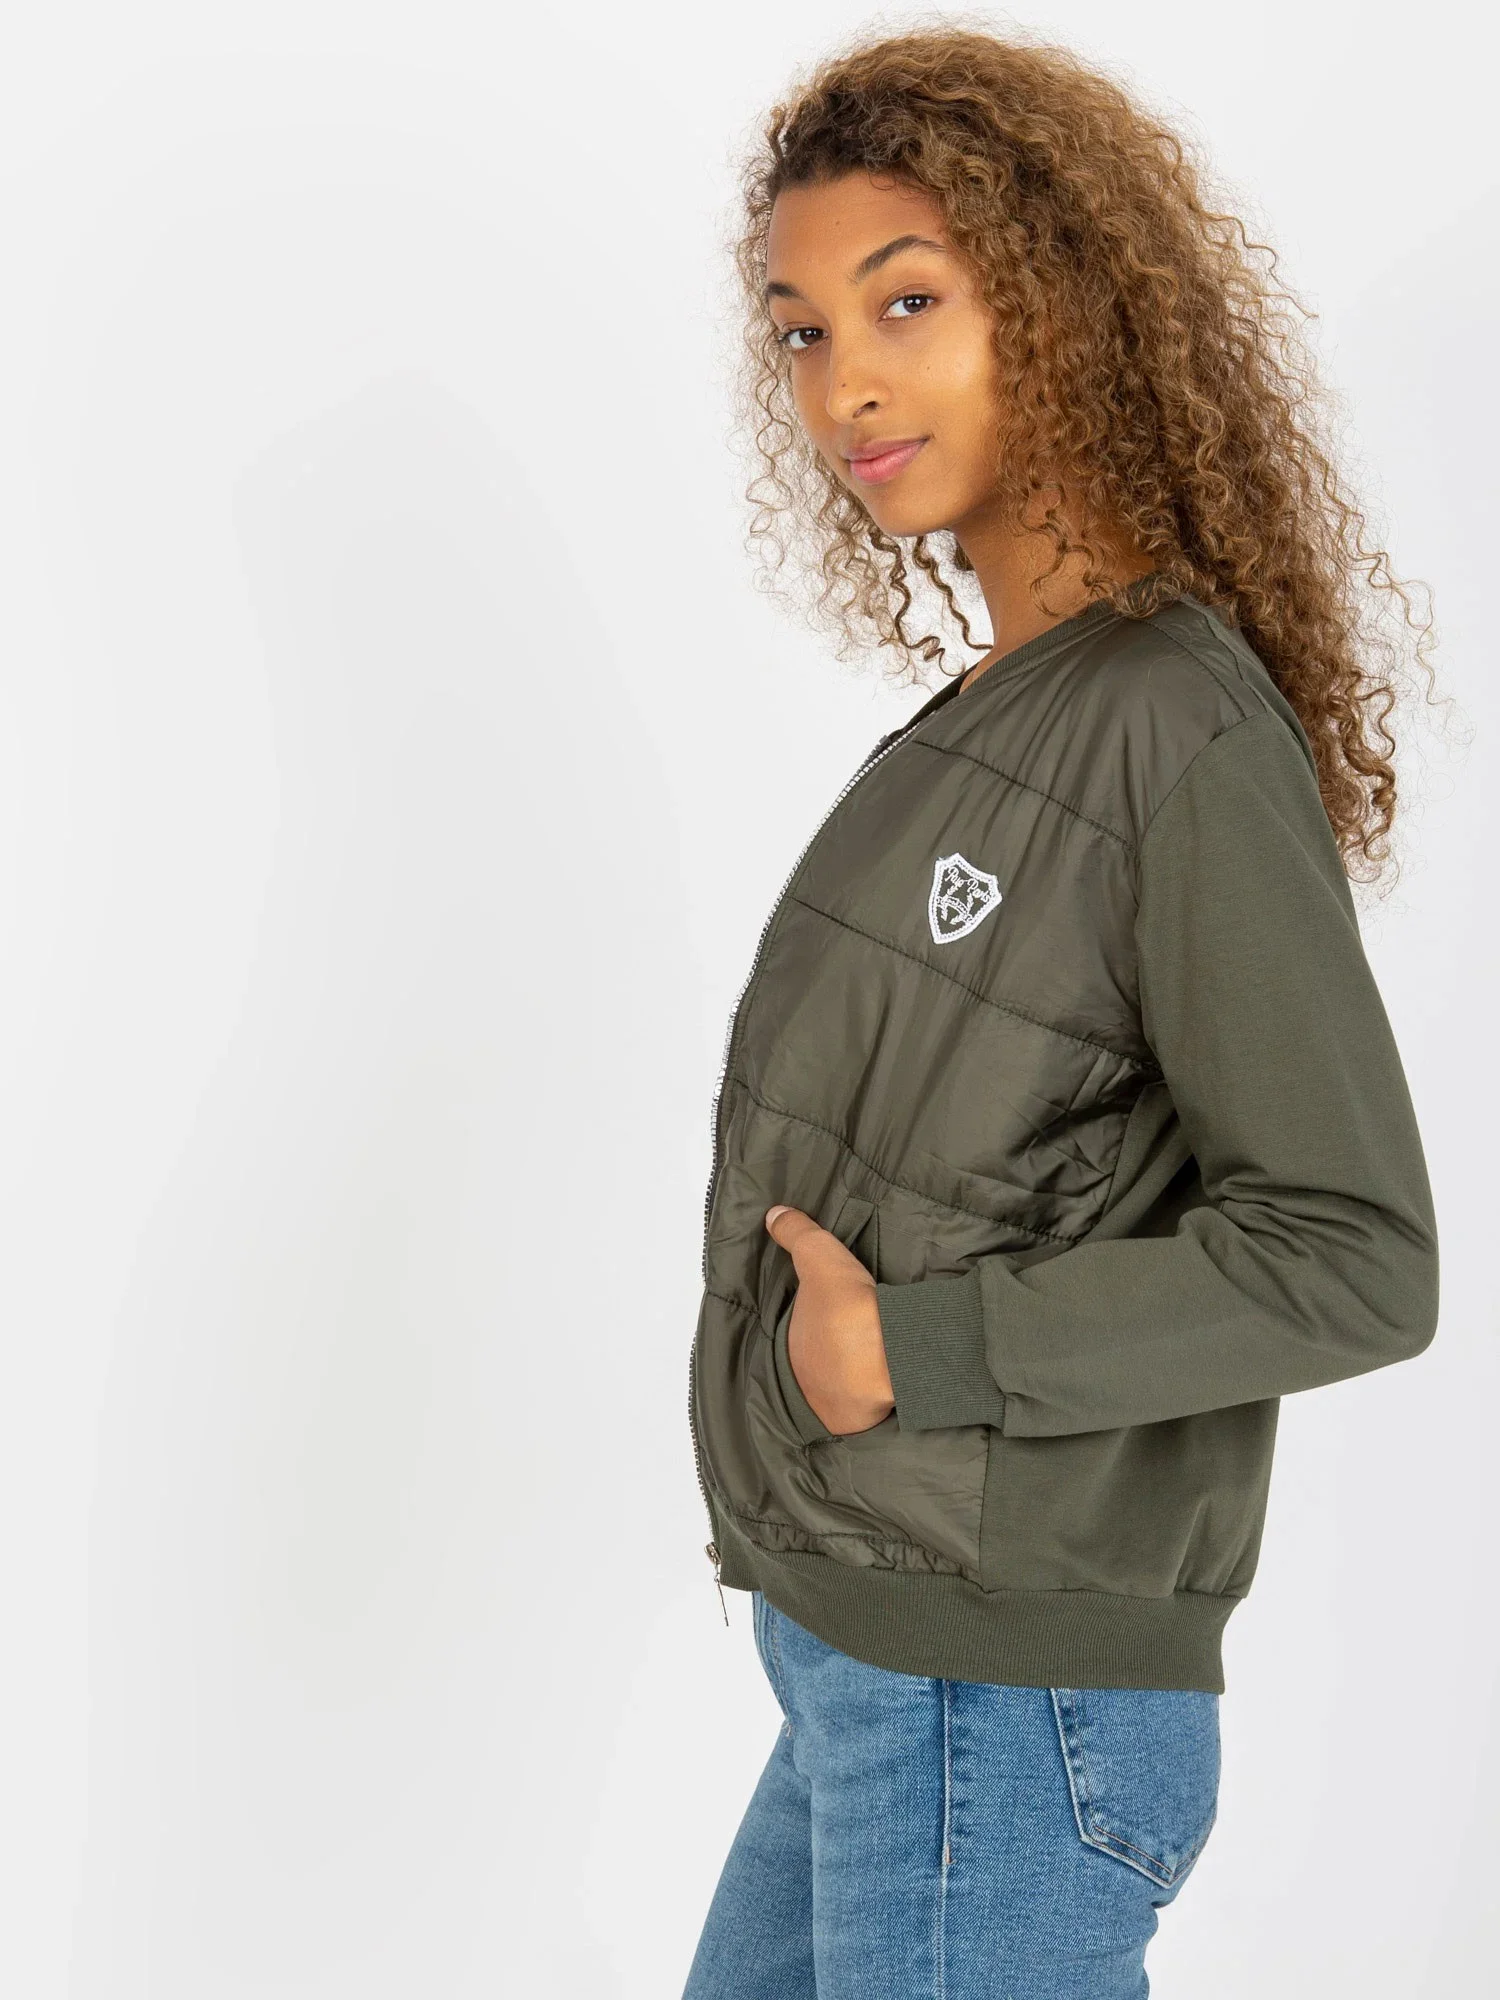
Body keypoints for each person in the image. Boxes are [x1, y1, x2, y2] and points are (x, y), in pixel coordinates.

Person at [682, 25, 1442, 2000]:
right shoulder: (999, 717)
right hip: (879, 1657)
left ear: (1068, 298)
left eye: (905, 302)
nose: (844, 383)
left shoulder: (1171, 730)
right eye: (801, 332)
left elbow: (1355, 1256)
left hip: (999, 1701)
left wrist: (912, 1351)